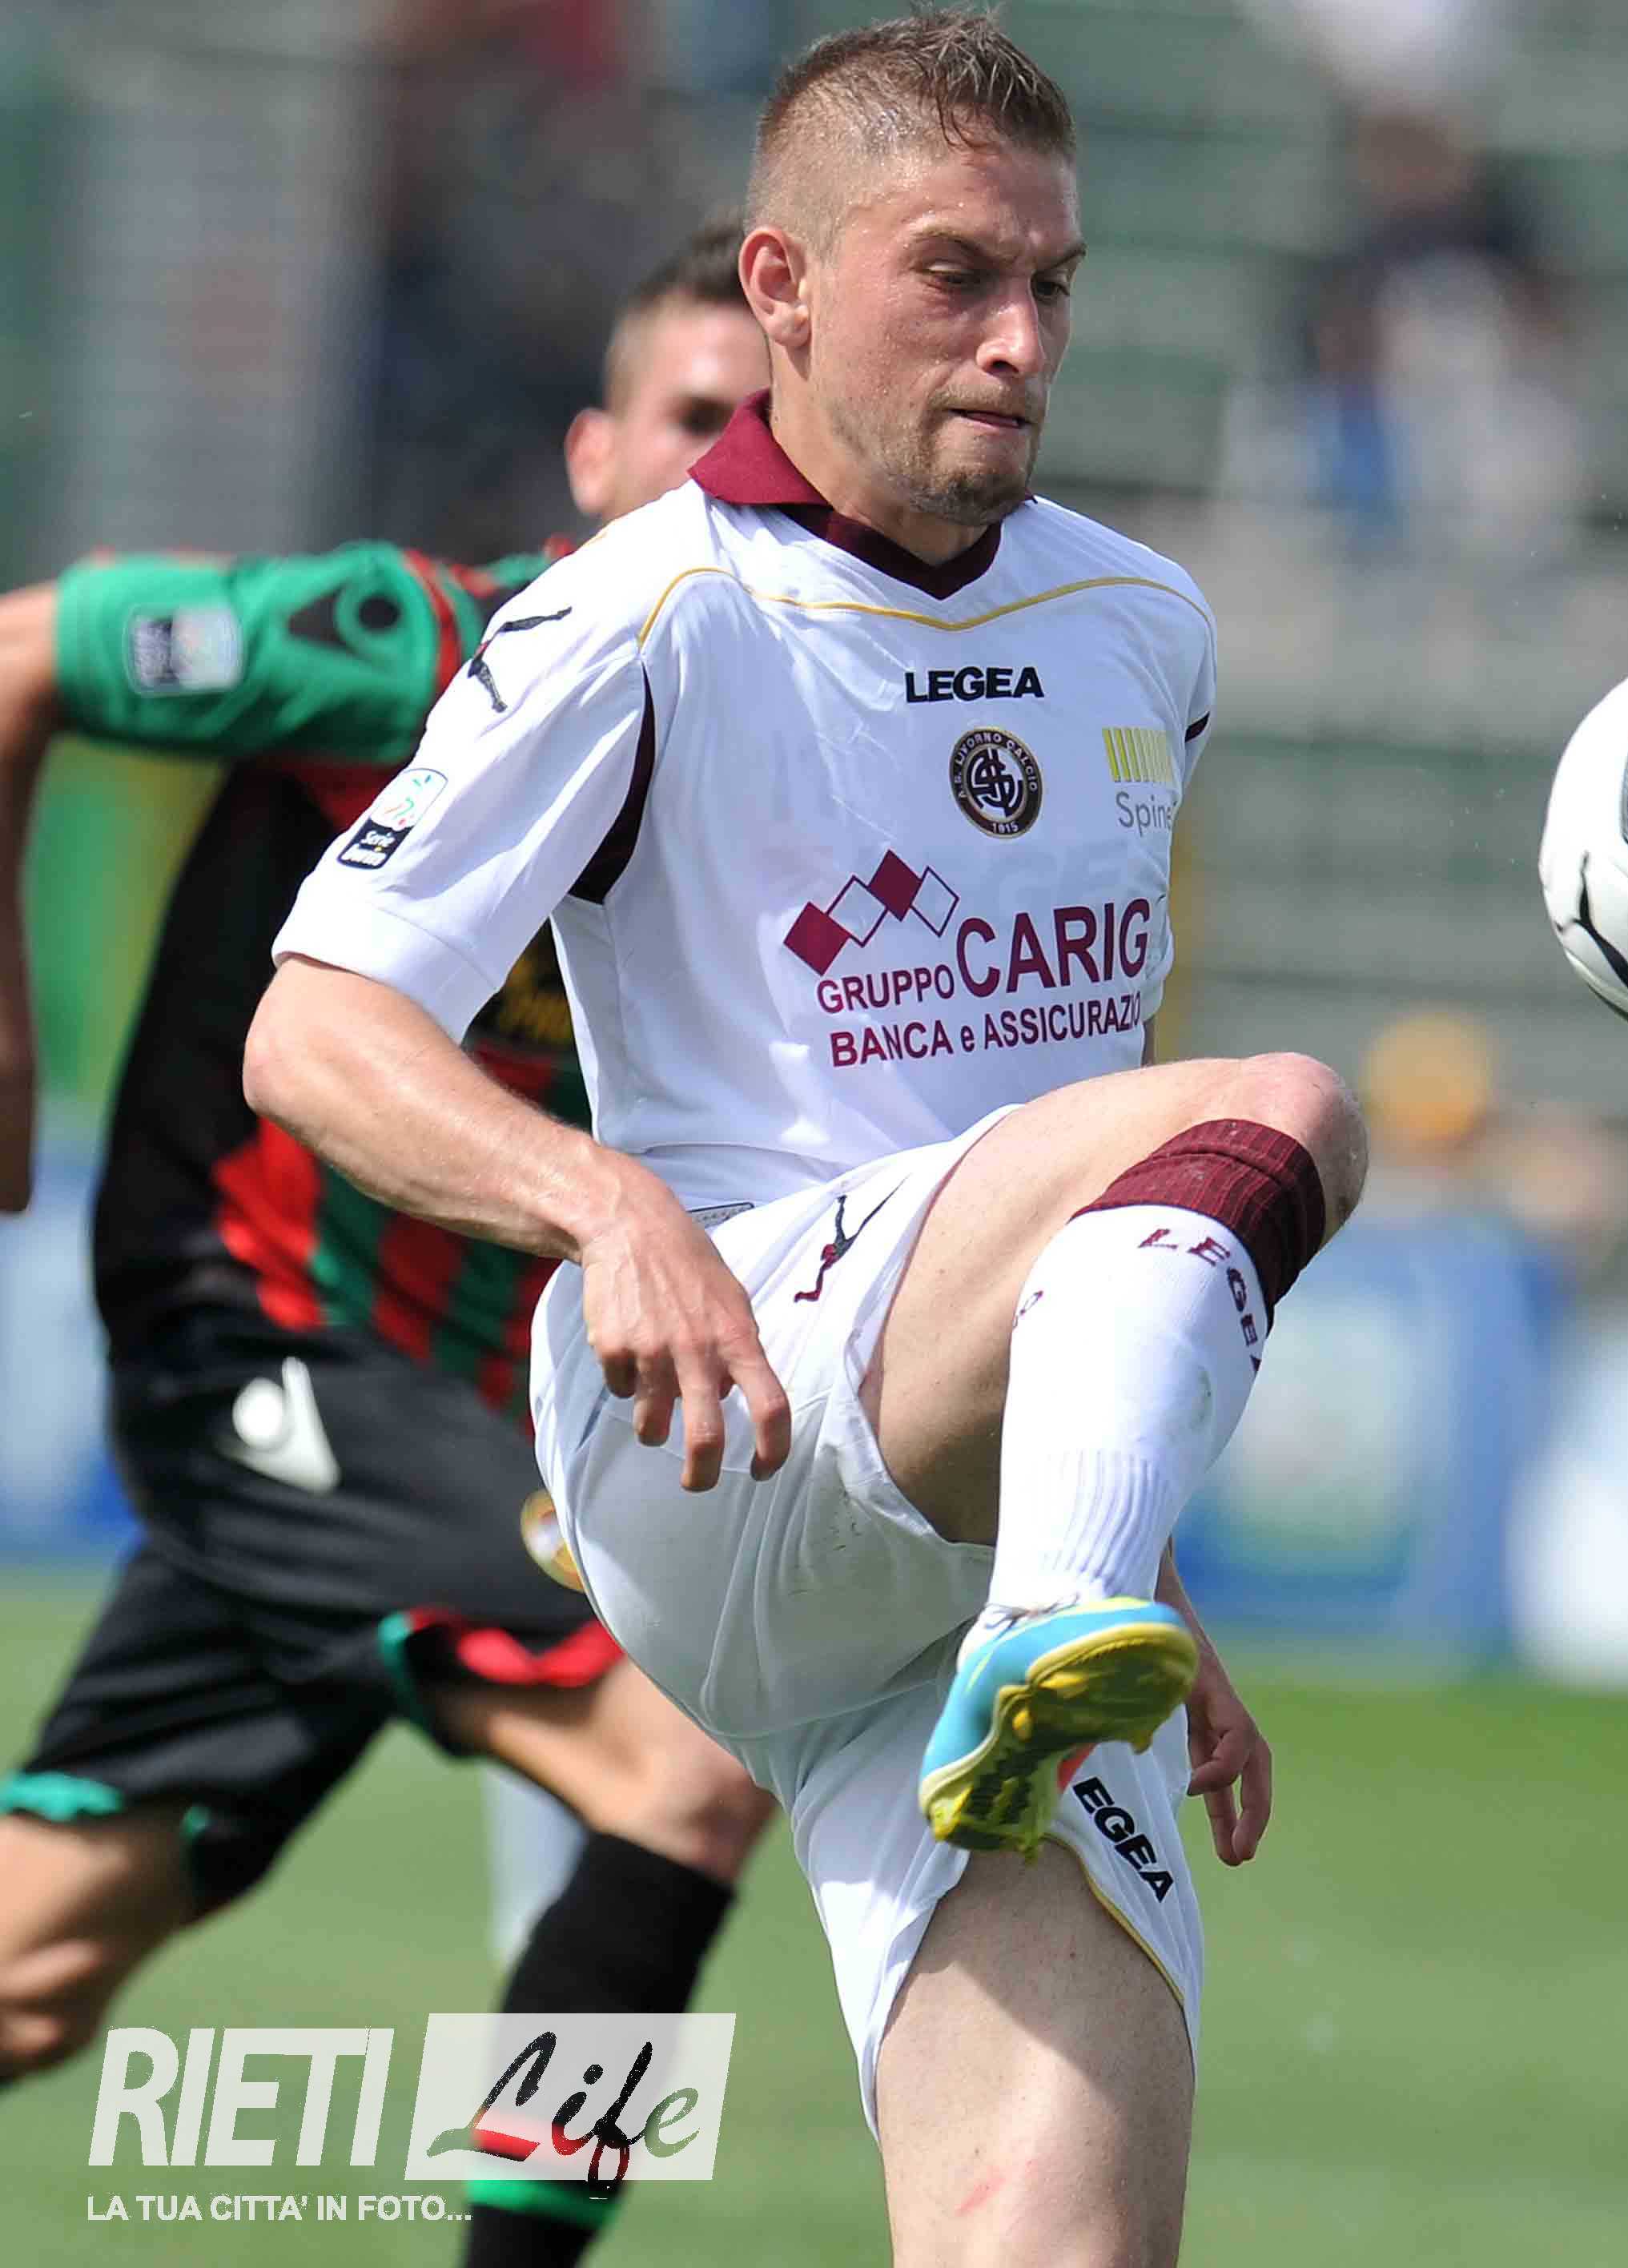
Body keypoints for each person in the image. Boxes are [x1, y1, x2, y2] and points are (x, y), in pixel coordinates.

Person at [246, 18, 1361, 2263]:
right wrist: (602, 1202)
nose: (1021, 338)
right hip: (721, 1403)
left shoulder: (1141, 626)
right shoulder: (641, 606)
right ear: (781, 285)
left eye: (1053, 282)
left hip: (946, 1541)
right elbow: (313, 1023)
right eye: (957, 274)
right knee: (1286, 1110)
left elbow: (1068, 1165)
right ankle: (1051, 1624)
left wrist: (1116, 1528)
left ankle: (1054, 1620)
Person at [0, 223, 790, 2268]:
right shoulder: (412, 648)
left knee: (31, 1974)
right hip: (256, 1348)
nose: (731, 467)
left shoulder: (783, 770)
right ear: (595, 458)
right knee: (685, 1771)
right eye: (695, 420)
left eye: (772, 432)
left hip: (452, 1429)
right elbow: (18, 651)